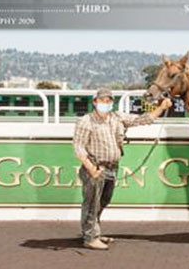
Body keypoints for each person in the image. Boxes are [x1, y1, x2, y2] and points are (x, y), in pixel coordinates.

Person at [73, 88, 172, 250]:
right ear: (95, 102)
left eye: (108, 100)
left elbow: (143, 119)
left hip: (112, 167)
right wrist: (90, 168)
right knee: (91, 203)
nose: (106, 103)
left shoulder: (117, 117)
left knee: (103, 201)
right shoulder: (85, 121)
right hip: (95, 167)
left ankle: (93, 232)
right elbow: (79, 147)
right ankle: (90, 237)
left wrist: (161, 108)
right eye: (102, 100)